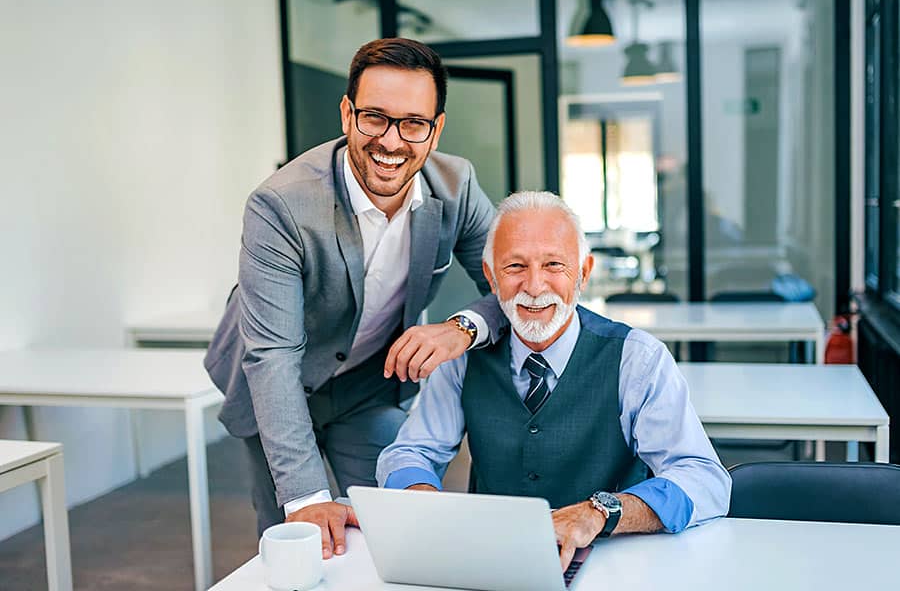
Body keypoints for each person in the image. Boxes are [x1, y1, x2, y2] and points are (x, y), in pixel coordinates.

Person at [203, 38, 505, 557]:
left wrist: (461, 328)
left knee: (397, 525)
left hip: (367, 385)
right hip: (274, 383)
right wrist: (306, 498)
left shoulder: (456, 186)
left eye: (414, 123)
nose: (392, 141)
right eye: (375, 117)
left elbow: (515, 286)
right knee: (295, 542)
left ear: (436, 130)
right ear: (347, 113)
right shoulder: (281, 205)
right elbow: (272, 356)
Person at [376, 191, 731, 570]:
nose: (534, 285)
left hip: (614, 564)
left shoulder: (638, 359)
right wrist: (420, 496)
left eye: (553, 265)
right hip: (495, 563)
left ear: (583, 272)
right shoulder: (462, 359)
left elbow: (704, 479)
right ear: (490, 276)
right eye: (515, 267)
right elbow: (409, 452)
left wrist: (601, 513)